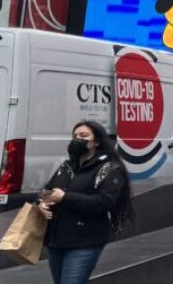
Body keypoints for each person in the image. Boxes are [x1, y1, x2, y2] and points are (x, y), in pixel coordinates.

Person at [39, 121, 134, 284]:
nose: (77, 139)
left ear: (96, 141)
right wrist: (42, 203)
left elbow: (104, 202)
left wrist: (65, 197)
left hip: (85, 242)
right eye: (74, 136)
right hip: (56, 240)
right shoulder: (67, 167)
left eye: (83, 136)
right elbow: (47, 190)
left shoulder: (109, 168)